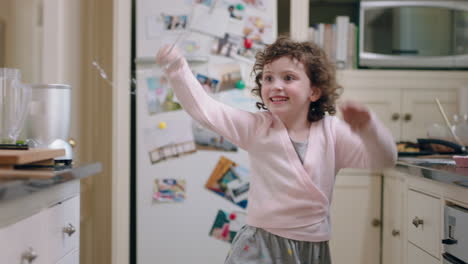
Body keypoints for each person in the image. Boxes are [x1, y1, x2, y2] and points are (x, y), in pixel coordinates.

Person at [156, 36, 397, 264]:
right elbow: (205, 110)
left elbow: (384, 159)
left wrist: (369, 128)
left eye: (288, 78)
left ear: (314, 91)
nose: (275, 86)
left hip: (311, 248)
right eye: (268, 78)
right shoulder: (257, 128)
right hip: (261, 244)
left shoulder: (332, 133)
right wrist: (178, 69)